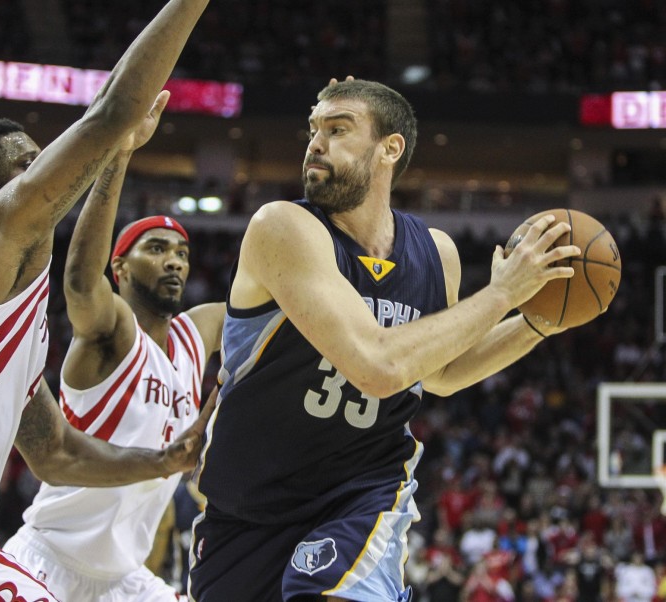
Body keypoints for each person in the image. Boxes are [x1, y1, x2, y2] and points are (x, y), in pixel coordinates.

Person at [0, 0, 211, 598]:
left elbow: (55, 455)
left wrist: (165, 461)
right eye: (28, 165)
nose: (46, 172)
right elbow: (109, 115)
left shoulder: (14, 319)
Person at [188, 78, 582, 601]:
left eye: (338, 129)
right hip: (247, 509)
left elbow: (439, 374)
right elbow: (376, 366)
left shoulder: (435, 252)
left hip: (360, 493)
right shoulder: (283, 227)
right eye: (313, 129)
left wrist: (535, 325)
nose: (316, 143)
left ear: (389, 148)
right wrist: (503, 294)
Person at [2, 89, 224, 601]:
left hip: (124, 581)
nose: (174, 261)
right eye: (157, 249)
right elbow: (80, 280)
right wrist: (119, 154)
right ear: (120, 269)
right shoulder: (113, 333)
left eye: (182, 253)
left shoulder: (199, 332)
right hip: (49, 563)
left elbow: (274, 299)